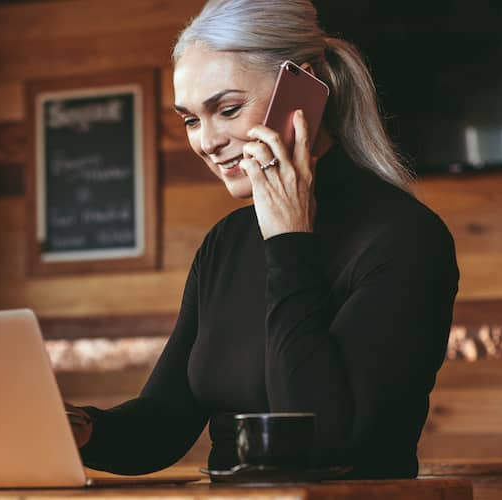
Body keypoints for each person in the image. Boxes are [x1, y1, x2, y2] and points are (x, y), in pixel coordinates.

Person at [66, 0, 459, 480]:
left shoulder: (405, 238)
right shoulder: (224, 244)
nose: (206, 141)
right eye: (191, 119)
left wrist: (290, 243)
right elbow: (163, 424)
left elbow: (322, 442)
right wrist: (72, 427)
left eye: (227, 109)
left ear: (307, 90)